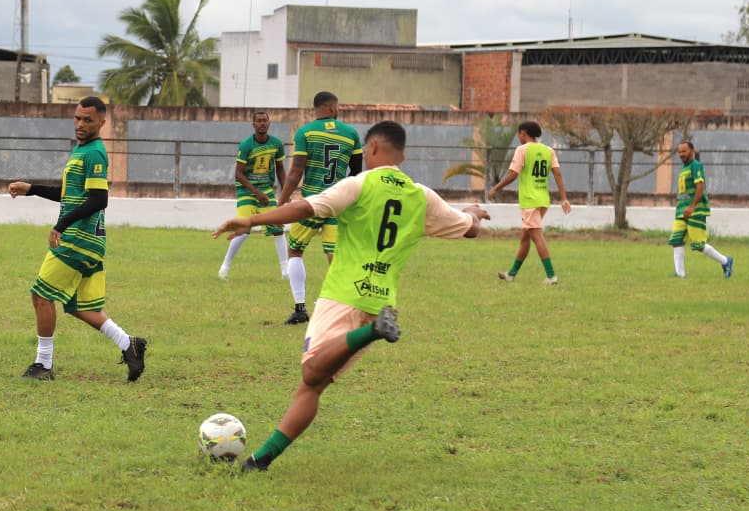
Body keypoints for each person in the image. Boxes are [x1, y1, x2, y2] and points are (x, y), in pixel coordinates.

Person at [212, 120, 489, 472]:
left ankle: (371, 333)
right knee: (313, 385)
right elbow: (470, 230)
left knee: (312, 373)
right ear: (401, 155)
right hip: (380, 303)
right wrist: (472, 213)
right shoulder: (421, 196)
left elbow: (305, 208)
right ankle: (261, 461)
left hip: (343, 294)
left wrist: (252, 221)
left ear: (372, 148)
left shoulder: (359, 184)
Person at [7, 96, 147, 382]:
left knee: (41, 295)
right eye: (77, 118)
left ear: (102, 122)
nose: (80, 124)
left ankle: (43, 365)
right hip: (85, 240)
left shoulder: (94, 152)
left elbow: (99, 199)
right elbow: (70, 194)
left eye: (87, 120)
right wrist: (31, 188)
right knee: (80, 306)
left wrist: (61, 224)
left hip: (78, 240)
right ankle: (129, 344)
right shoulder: (81, 150)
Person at [276, 91, 363, 324]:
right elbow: (357, 175)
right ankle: (345, 310)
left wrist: (281, 203)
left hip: (311, 204)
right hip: (338, 204)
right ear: (333, 108)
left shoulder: (306, 132)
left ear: (317, 108)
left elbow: (295, 172)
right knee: (335, 258)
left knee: (294, 251)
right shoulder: (351, 133)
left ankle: (300, 308)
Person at [488, 121, 571, 284]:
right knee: (525, 238)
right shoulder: (549, 151)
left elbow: (513, 174)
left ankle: (551, 276)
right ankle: (511, 274)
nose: (519, 137)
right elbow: (558, 174)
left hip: (529, 201)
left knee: (537, 236)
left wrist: (495, 188)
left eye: (519, 134)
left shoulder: (522, 150)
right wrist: (563, 198)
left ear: (523, 133)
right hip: (542, 200)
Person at [218, 111, 288, 281]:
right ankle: (225, 267)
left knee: (278, 228)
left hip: (266, 191)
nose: (262, 123)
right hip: (246, 191)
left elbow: (279, 168)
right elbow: (238, 174)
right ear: (254, 125)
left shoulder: (277, 144)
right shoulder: (246, 145)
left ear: (269, 123)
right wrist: (256, 193)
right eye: (259, 121)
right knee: (243, 230)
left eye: (265, 120)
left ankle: (285, 272)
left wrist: (285, 192)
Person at [669, 140, 734, 279]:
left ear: (692, 151)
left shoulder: (695, 166)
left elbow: (700, 187)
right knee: (676, 240)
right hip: (681, 210)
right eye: (679, 152)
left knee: (698, 244)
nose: (681, 154)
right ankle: (680, 274)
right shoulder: (684, 168)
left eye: (684, 151)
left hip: (695, 210)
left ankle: (725, 261)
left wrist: (692, 207)